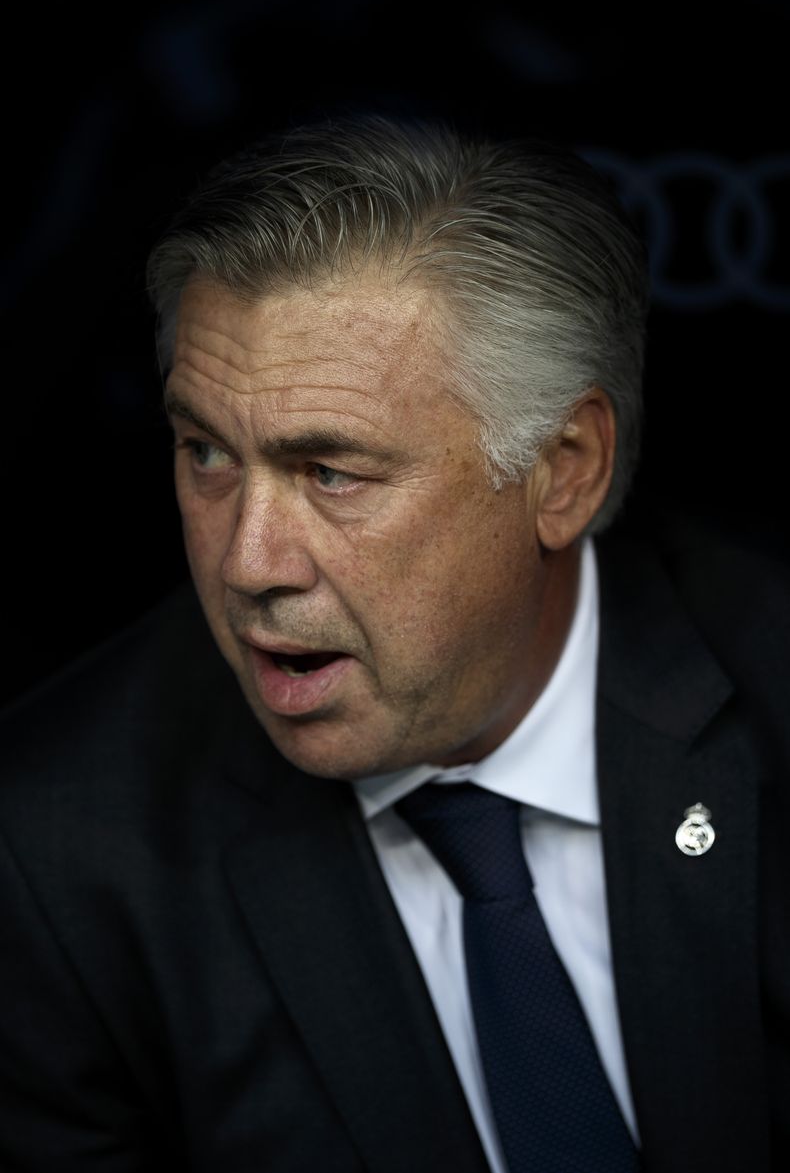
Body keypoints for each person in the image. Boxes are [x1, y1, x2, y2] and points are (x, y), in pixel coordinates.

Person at [1, 117, 787, 1173]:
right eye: (206, 453)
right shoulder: (56, 851)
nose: (248, 562)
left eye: (332, 473)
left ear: (563, 470)